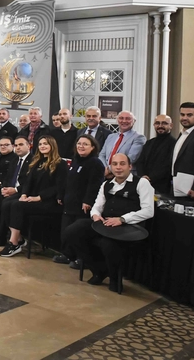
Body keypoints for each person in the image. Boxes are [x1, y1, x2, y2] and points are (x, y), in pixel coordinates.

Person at [66, 153, 154, 291]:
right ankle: (99, 270)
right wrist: (96, 215)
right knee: (73, 231)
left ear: (130, 166)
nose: (118, 167)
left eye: (122, 164)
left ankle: (114, 278)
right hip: (106, 224)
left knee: (108, 244)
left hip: (129, 227)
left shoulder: (142, 183)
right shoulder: (106, 184)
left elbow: (148, 211)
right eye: (114, 164)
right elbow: (97, 206)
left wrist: (122, 219)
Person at [0, 136, 66, 257]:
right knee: (6, 203)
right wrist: (24, 194)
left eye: (45, 144)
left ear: (52, 145)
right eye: (40, 144)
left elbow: (58, 187)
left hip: (49, 201)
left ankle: (13, 243)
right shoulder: (37, 161)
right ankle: (19, 238)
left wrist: (39, 197)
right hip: (33, 197)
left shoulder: (60, 163)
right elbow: (28, 182)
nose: (42, 146)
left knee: (17, 205)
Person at [54, 134, 105, 265]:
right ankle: (67, 254)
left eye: (85, 144)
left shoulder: (96, 163)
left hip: (83, 205)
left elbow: (95, 185)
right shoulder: (75, 160)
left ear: (93, 147)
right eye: (79, 143)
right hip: (69, 202)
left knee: (77, 233)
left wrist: (88, 201)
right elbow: (67, 181)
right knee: (65, 230)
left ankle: (82, 258)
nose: (81, 146)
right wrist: (61, 195)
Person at [134, 114, 175, 195]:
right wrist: (142, 176)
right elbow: (140, 161)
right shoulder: (149, 142)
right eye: (157, 123)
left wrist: (150, 178)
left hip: (163, 186)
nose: (160, 126)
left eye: (164, 123)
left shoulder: (174, 144)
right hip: (144, 183)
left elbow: (169, 165)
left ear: (171, 126)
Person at [172, 102, 194, 198]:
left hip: (191, 189)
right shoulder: (182, 134)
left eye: (189, 115)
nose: (185, 118)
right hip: (178, 186)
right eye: (182, 115)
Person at [99, 111, 146, 176]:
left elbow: (131, 158)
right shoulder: (111, 136)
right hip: (106, 174)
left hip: (125, 175)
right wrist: (105, 168)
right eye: (121, 118)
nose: (124, 121)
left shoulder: (138, 137)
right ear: (117, 120)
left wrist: (110, 169)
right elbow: (102, 155)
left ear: (134, 121)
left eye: (128, 119)